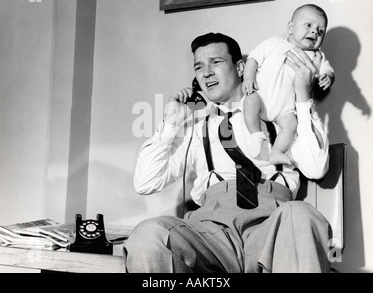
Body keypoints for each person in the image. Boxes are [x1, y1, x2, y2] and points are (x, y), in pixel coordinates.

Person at [125, 32, 331, 273]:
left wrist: (304, 98)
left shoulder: (277, 108)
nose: (206, 72)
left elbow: (316, 168)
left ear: (241, 67)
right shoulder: (195, 123)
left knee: (300, 214)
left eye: (216, 62)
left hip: (272, 227)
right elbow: (145, 183)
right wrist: (171, 123)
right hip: (212, 235)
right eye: (199, 67)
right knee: (149, 234)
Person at [242, 4, 335, 165]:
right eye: (309, 25)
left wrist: (328, 76)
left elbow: (328, 70)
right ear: (291, 28)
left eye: (321, 31)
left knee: (291, 125)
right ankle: (256, 134)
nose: (315, 32)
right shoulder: (274, 43)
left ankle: (277, 152)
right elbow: (253, 58)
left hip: (285, 110)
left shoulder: (317, 57)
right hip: (262, 97)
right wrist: (248, 78)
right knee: (249, 102)